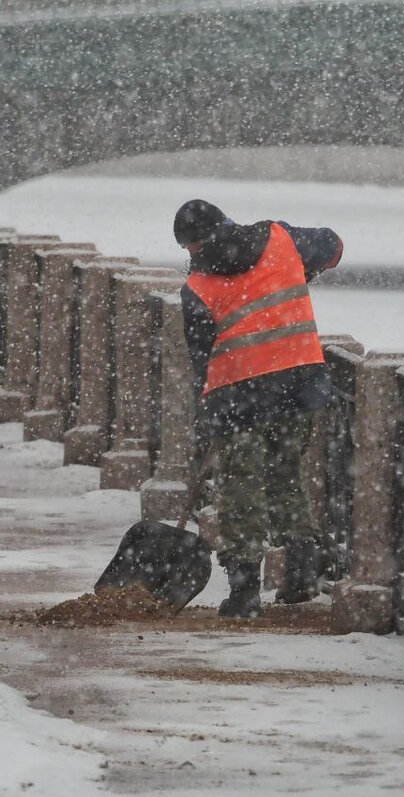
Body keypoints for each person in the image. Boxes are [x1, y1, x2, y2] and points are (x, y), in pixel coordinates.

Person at [174, 198, 343, 618]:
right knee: (286, 472)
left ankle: (245, 591)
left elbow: (201, 356)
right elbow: (334, 246)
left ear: (192, 245)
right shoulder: (281, 238)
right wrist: (305, 270)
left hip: (238, 395)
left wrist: (210, 406)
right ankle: (301, 574)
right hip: (299, 383)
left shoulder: (196, 287)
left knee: (239, 487)